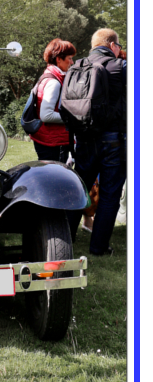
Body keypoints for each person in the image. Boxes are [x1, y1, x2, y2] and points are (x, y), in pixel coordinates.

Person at [66, 29, 126, 256]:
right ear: (112, 45)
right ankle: (99, 247)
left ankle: (65, 239)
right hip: (112, 140)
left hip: (83, 138)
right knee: (110, 194)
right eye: (119, 46)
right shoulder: (120, 67)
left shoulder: (77, 66)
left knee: (79, 191)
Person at [30, 38, 76, 163]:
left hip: (49, 140)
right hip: (53, 143)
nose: (72, 62)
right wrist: (73, 118)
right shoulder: (54, 82)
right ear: (59, 59)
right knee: (55, 174)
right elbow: (46, 115)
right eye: (70, 58)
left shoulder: (49, 76)